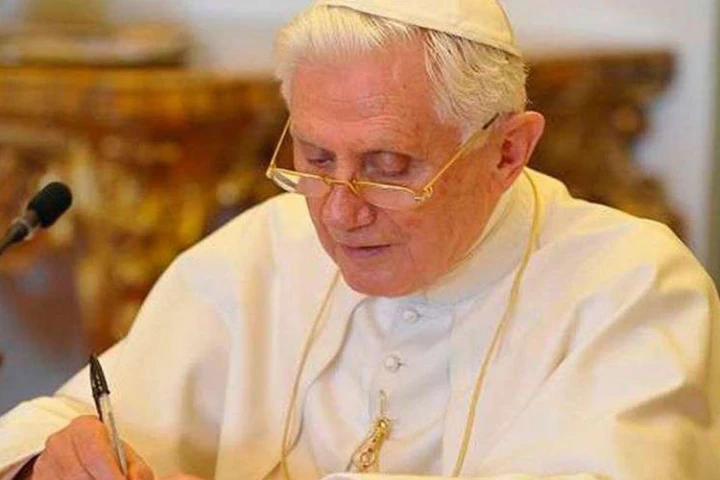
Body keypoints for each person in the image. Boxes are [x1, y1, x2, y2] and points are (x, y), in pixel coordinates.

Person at [1, 1, 719, 479]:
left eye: (388, 167)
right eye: (315, 158)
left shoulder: (633, 287)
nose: (340, 213)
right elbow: (67, 420)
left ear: (507, 151)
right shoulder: (270, 246)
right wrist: (55, 460)